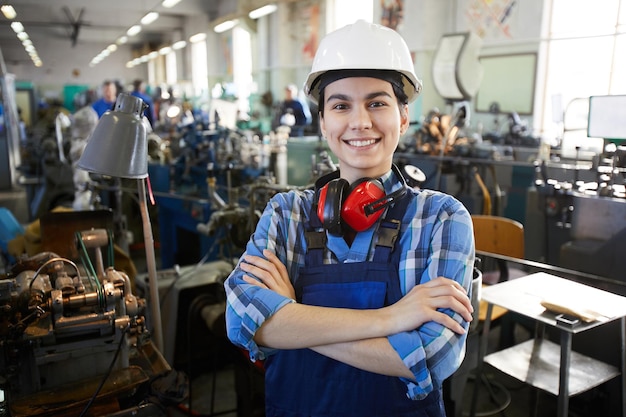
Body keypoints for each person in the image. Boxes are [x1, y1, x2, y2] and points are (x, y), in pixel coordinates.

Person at [224, 19, 475, 417]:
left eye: (377, 102)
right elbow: (241, 321)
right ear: (323, 121)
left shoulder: (441, 218)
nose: (360, 122)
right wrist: (392, 318)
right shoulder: (286, 213)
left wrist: (291, 319)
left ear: (403, 116)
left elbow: (433, 356)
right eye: (341, 105)